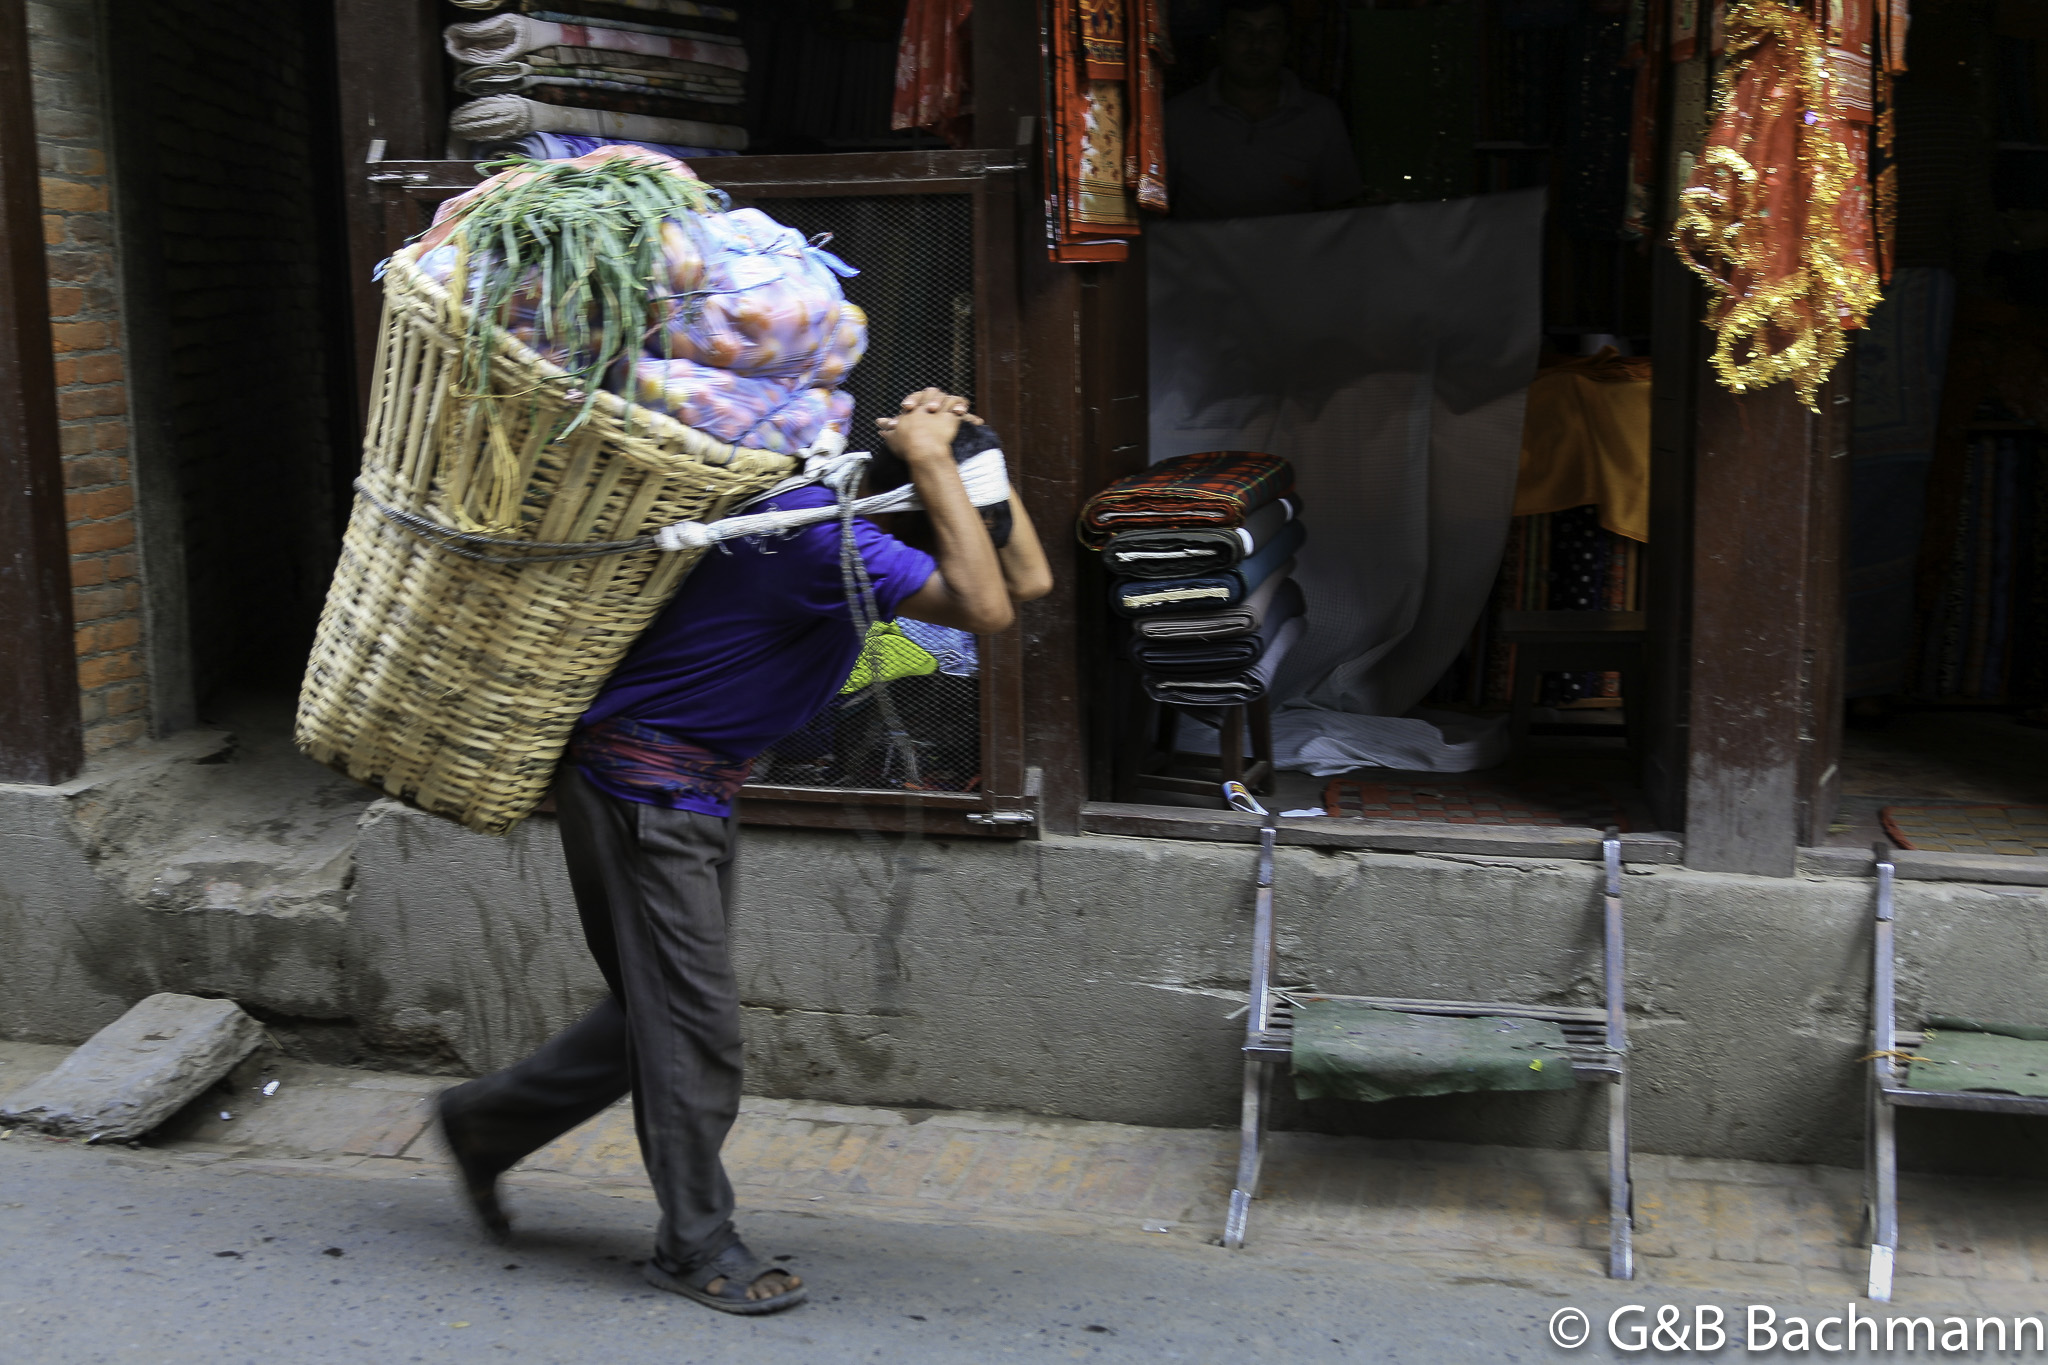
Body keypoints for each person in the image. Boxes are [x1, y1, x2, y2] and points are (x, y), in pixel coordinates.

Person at [433, 389, 1052, 1315]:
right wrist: (934, 459)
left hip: (682, 786)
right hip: (643, 784)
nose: (962, 535)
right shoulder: (810, 535)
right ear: (911, 502)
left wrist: (965, 456)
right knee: (694, 1026)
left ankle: (484, 1123)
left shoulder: (859, 528)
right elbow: (986, 605)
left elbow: (1023, 582)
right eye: (952, 512)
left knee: (660, 1010)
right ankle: (694, 1244)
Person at [1165, 0, 1363, 219]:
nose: (1256, 44)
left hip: (1293, 252)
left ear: (1286, 41)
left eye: (1270, 32)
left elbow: (1340, 215)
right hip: (1196, 252)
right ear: (1220, 38)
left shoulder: (1321, 116)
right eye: (1242, 31)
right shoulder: (1177, 117)